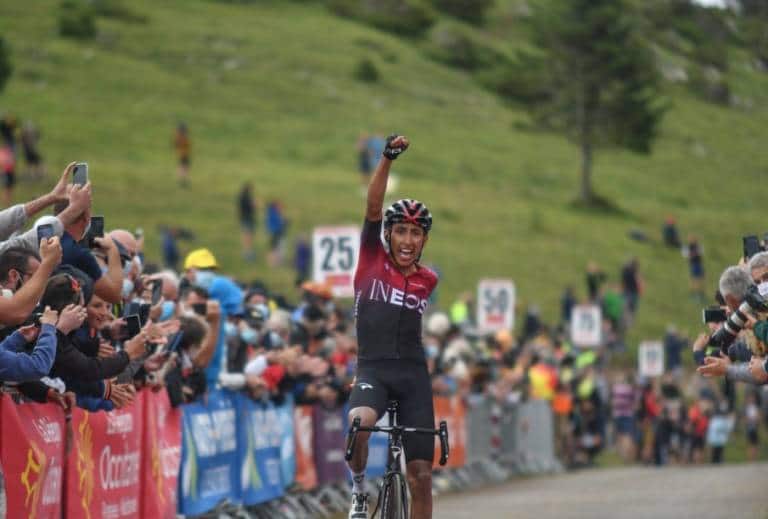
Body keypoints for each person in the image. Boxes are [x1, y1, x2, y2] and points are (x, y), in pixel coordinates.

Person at [345, 135, 439, 519]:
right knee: (358, 426)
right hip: (374, 369)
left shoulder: (428, 279)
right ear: (388, 235)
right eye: (401, 230)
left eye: (416, 233)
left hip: (413, 375)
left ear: (423, 241)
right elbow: (372, 205)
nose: (408, 239)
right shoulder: (371, 258)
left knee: (420, 477)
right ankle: (358, 490)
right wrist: (386, 159)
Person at [238, 182, 257, 261]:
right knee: (248, 236)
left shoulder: (242, 196)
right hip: (247, 219)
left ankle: (247, 252)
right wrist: (254, 203)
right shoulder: (246, 197)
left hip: (244, 218)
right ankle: (247, 253)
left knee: (246, 236)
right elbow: (251, 206)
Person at [174, 122, 191, 186]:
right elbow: (187, 144)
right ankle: (183, 179)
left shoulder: (178, 137)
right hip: (184, 154)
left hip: (181, 154)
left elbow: (175, 145)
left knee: (182, 166)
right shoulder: (183, 138)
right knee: (184, 167)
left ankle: (181, 178)